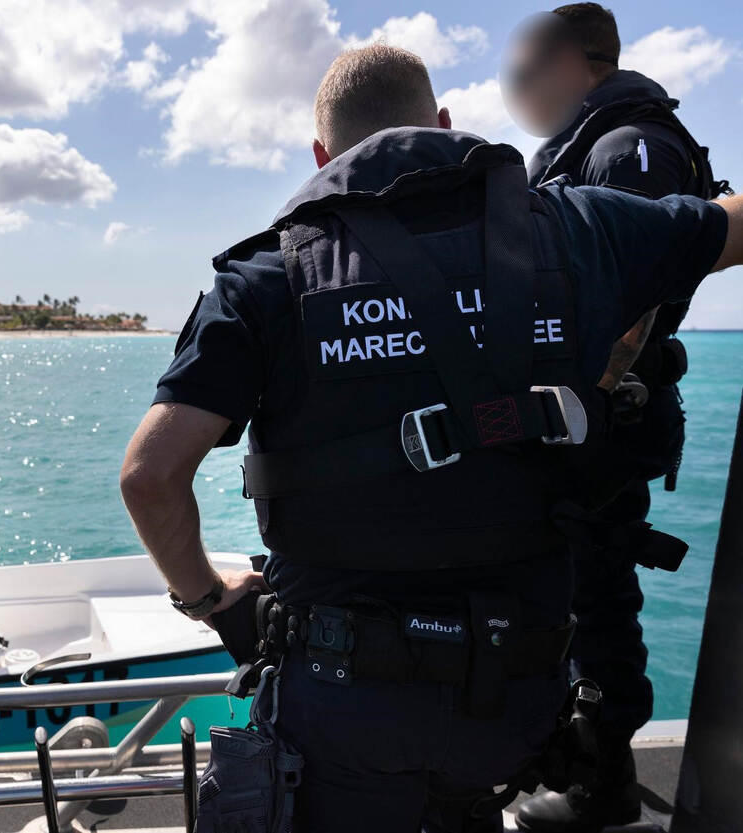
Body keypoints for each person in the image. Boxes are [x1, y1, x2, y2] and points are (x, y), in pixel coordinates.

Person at [120, 44, 742, 833]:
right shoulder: (579, 228)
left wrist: (209, 599)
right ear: (443, 125)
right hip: (519, 700)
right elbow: (731, 227)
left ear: (322, 156)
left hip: (344, 710)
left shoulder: (271, 274)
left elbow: (150, 476)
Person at [500, 7, 729, 829]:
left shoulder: (629, 147)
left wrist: (571, 399)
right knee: (570, 593)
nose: (511, 91)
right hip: (578, 422)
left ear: (574, 62)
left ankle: (602, 785)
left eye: (519, 73)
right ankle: (575, 761)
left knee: (593, 598)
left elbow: (630, 294)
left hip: (595, 427)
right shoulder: (597, 145)